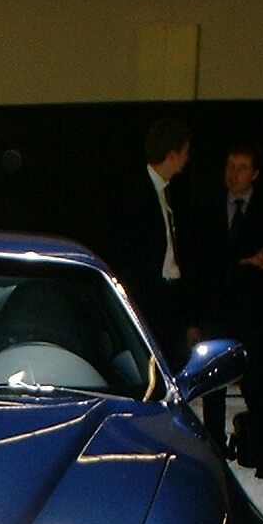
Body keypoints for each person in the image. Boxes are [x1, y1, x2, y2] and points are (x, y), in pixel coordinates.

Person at [193, 144, 263, 478]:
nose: (234, 173)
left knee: (258, 386)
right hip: (217, 311)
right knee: (213, 384)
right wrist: (245, 262)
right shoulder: (209, 208)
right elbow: (202, 263)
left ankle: (262, 454)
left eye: (242, 167)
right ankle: (215, 450)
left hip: (255, 314)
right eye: (230, 166)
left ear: (255, 174)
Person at [112, 118, 191, 370]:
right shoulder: (137, 194)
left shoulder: (170, 192)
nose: (187, 159)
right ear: (172, 154)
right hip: (148, 298)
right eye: (185, 152)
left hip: (168, 295)